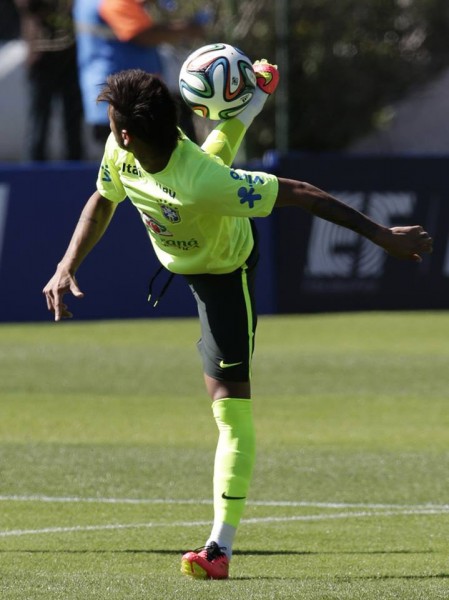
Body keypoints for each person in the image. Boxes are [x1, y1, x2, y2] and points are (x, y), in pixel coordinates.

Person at [42, 62, 433, 580]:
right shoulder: (126, 153)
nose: (109, 129)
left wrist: (381, 235)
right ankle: (254, 97)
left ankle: (218, 550)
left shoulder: (204, 184)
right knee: (214, 158)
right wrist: (67, 263)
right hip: (192, 227)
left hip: (225, 275)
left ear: (126, 132)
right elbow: (103, 199)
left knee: (230, 410)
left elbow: (299, 192)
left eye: (112, 120)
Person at [73, 0, 204, 147]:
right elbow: (142, 34)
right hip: (126, 99)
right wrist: (186, 29)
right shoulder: (112, 2)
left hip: (111, 95)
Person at [14, 0, 84, 161]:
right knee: (39, 122)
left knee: (73, 123)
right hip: (41, 57)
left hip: (71, 58)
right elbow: (28, 6)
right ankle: (33, 176)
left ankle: (75, 173)